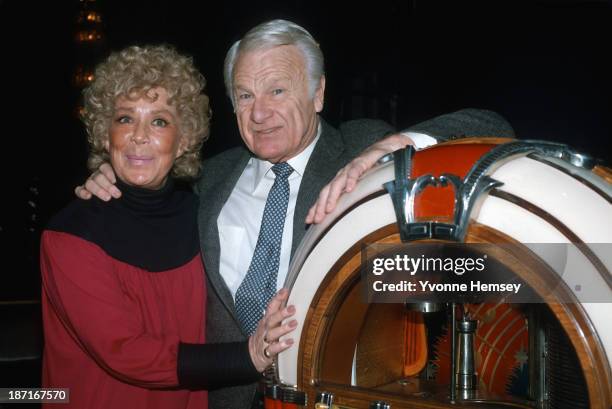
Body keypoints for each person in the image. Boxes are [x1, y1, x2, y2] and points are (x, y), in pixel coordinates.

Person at [75, 20, 515, 408]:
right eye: (245, 95)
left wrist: (390, 148)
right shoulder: (209, 177)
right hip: (220, 398)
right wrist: (109, 178)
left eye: (277, 90)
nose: (260, 112)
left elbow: (492, 125)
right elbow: (146, 185)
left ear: (318, 92)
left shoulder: (359, 148)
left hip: (328, 394)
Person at [41, 44, 297, 409]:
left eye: (159, 121)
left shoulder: (202, 214)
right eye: (125, 118)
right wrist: (248, 357)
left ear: (184, 140)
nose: (139, 135)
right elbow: (125, 351)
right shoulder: (70, 234)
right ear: (104, 134)